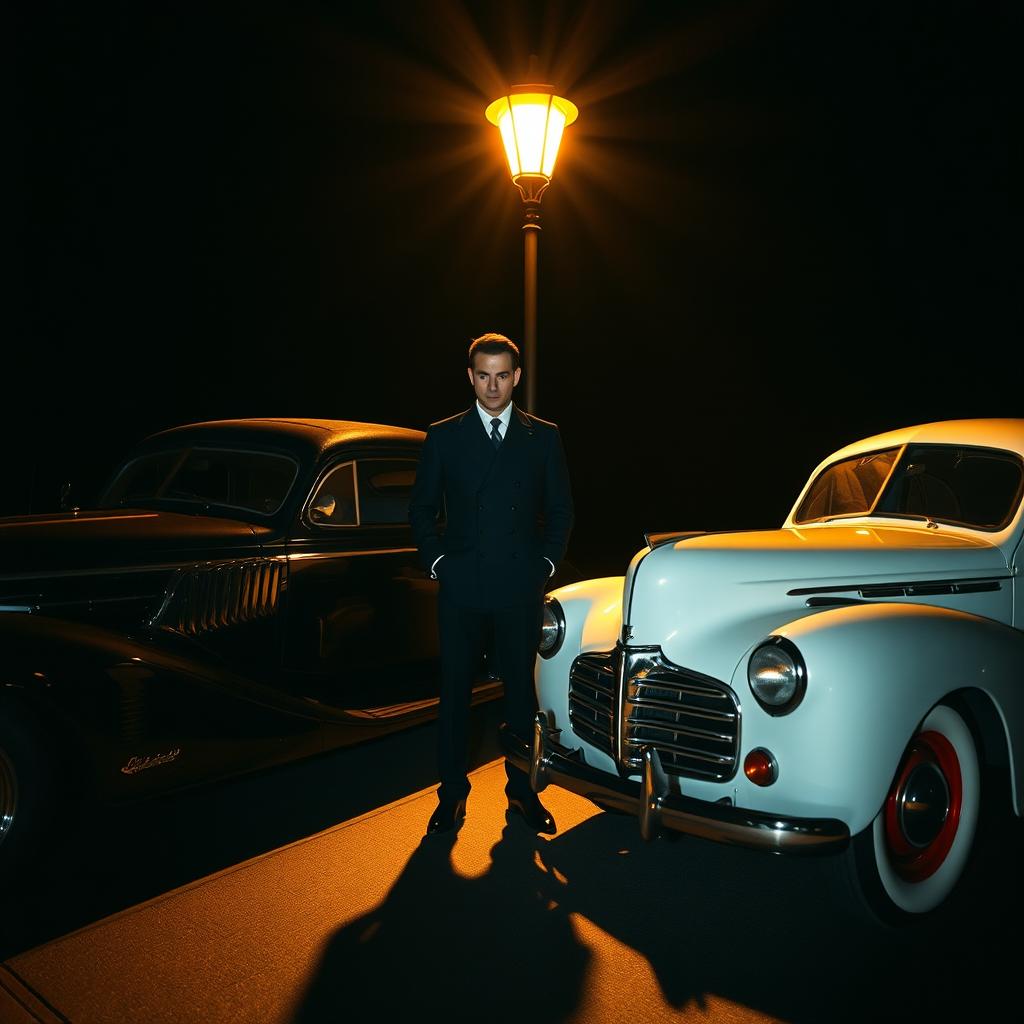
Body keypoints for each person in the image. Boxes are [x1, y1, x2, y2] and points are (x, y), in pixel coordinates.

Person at [409, 332, 574, 835]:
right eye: (483, 375)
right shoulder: (444, 436)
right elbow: (420, 510)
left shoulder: (542, 436)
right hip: (461, 586)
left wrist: (542, 566)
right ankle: (451, 796)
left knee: (520, 696)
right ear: (470, 377)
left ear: (516, 377)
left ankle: (522, 794)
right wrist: (439, 563)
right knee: (454, 694)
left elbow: (561, 511)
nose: (493, 385)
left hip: (517, 586)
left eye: (502, 375)